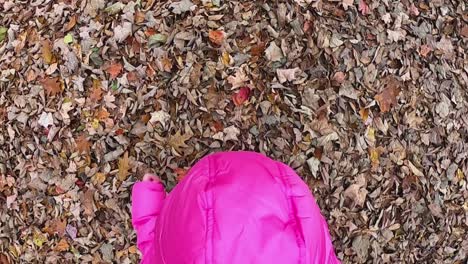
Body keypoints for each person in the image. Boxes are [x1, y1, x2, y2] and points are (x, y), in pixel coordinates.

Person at [131, 151, 340, 263]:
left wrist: (149, 203)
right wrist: (149, 204)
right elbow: (156, 249)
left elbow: (156, 250)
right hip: (277, 198)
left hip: (275, 194)